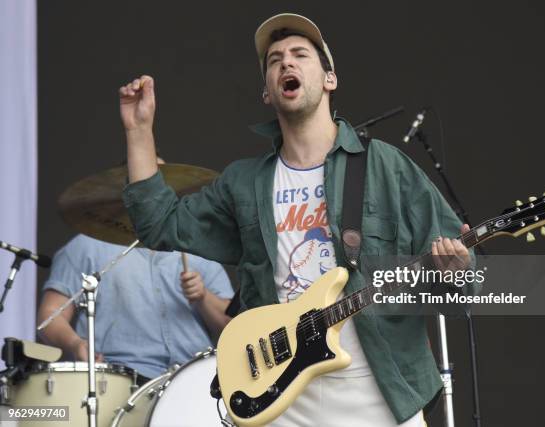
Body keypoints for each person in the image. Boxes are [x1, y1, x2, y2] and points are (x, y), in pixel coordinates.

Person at [119, 13, 473, 426]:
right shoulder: (244, 182)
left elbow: (461, 287)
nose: (286, 63)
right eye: (274, 60)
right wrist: (139, 129)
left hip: (380, 392)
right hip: (281, 401)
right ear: (268, 92)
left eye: (300, 55)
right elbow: (160, 224)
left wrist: (459, 271)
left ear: (329, 79)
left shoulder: (385, 167)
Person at [37, 233, 233, 381]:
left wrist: (203, 297)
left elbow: (233, 329)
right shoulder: (87, 245)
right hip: (119, 379)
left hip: (197, 379)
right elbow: (49, 317)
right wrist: (76, 344)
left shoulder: (199, 251)